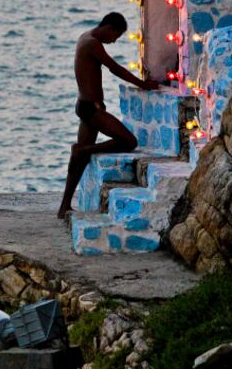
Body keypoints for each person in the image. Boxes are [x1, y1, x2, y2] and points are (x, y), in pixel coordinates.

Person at [58, 12, 159, 219]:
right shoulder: (93, 43)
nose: (114, 41)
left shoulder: (85, 37)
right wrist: (143, 84)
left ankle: (64, 206)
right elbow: (115, 69)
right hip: (91, 109)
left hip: (86, 106)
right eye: (116, 36)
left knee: (80, 160)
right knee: (128, 141)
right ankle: (83, 150)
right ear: (109, 28)